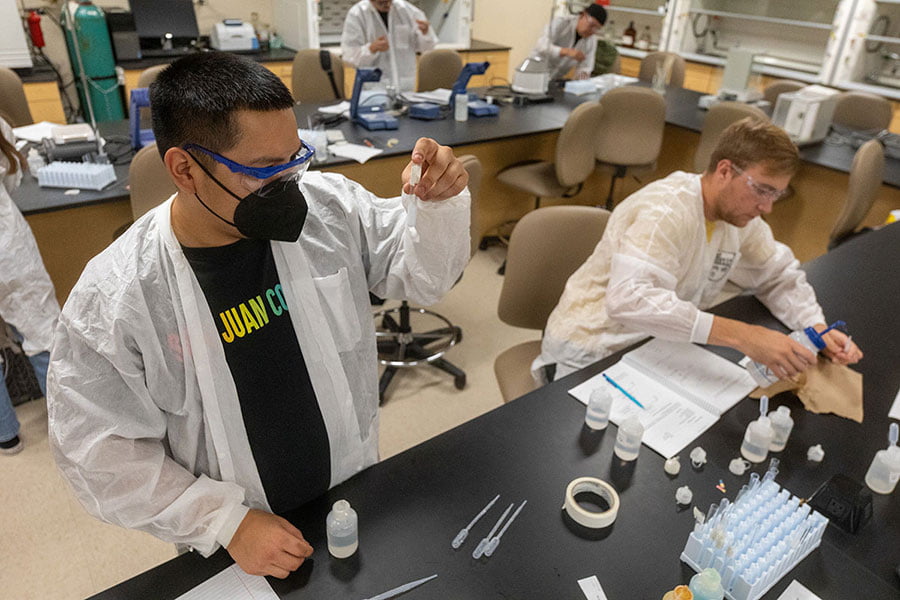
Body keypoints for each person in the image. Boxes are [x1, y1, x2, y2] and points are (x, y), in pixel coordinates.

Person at [47, 52, 470, 579]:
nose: (290, 183)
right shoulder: (118, 298)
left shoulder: (327, 210)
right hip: (235, 539)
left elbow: (421, 274)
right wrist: (226, 522)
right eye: (266, 170)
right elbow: (101, 452)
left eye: (295, 158)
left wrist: (438, 205)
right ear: (185, 169)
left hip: (349, 486)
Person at [533, 117, 863, 382]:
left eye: (776, 194)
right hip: (590, 350)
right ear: (723, 171)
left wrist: (814, 326)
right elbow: (629, 299)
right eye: (762, 190)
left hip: (655, 346)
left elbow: (776, 274)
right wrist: (743, 335)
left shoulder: (738, 219)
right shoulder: (666, 210)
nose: (767, 207)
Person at [0, 113, 60, 455]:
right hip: (7, 246)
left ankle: (5, 435)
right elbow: (11, 179)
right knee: (42, 333)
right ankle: (67, 428)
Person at [341, 0, 437, 92]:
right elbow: (349, 56)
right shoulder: (357, 14)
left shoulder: (407, 10)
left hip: (405, 88)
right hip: (373, 90)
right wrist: (371, 49)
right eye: (381, 2)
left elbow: (427, 47)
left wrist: (425, 33)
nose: (386, 5)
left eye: (389, 1)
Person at [530, 2, 607, 81]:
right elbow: (541, 46)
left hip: (555, 80)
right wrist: (565, 51)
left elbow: (586, 67)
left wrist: (581, 80)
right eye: (591, 25)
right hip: (534, 73)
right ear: (583, 15)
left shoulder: (592, 40)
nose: (592, 31)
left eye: (597, 29)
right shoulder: (562, 23)